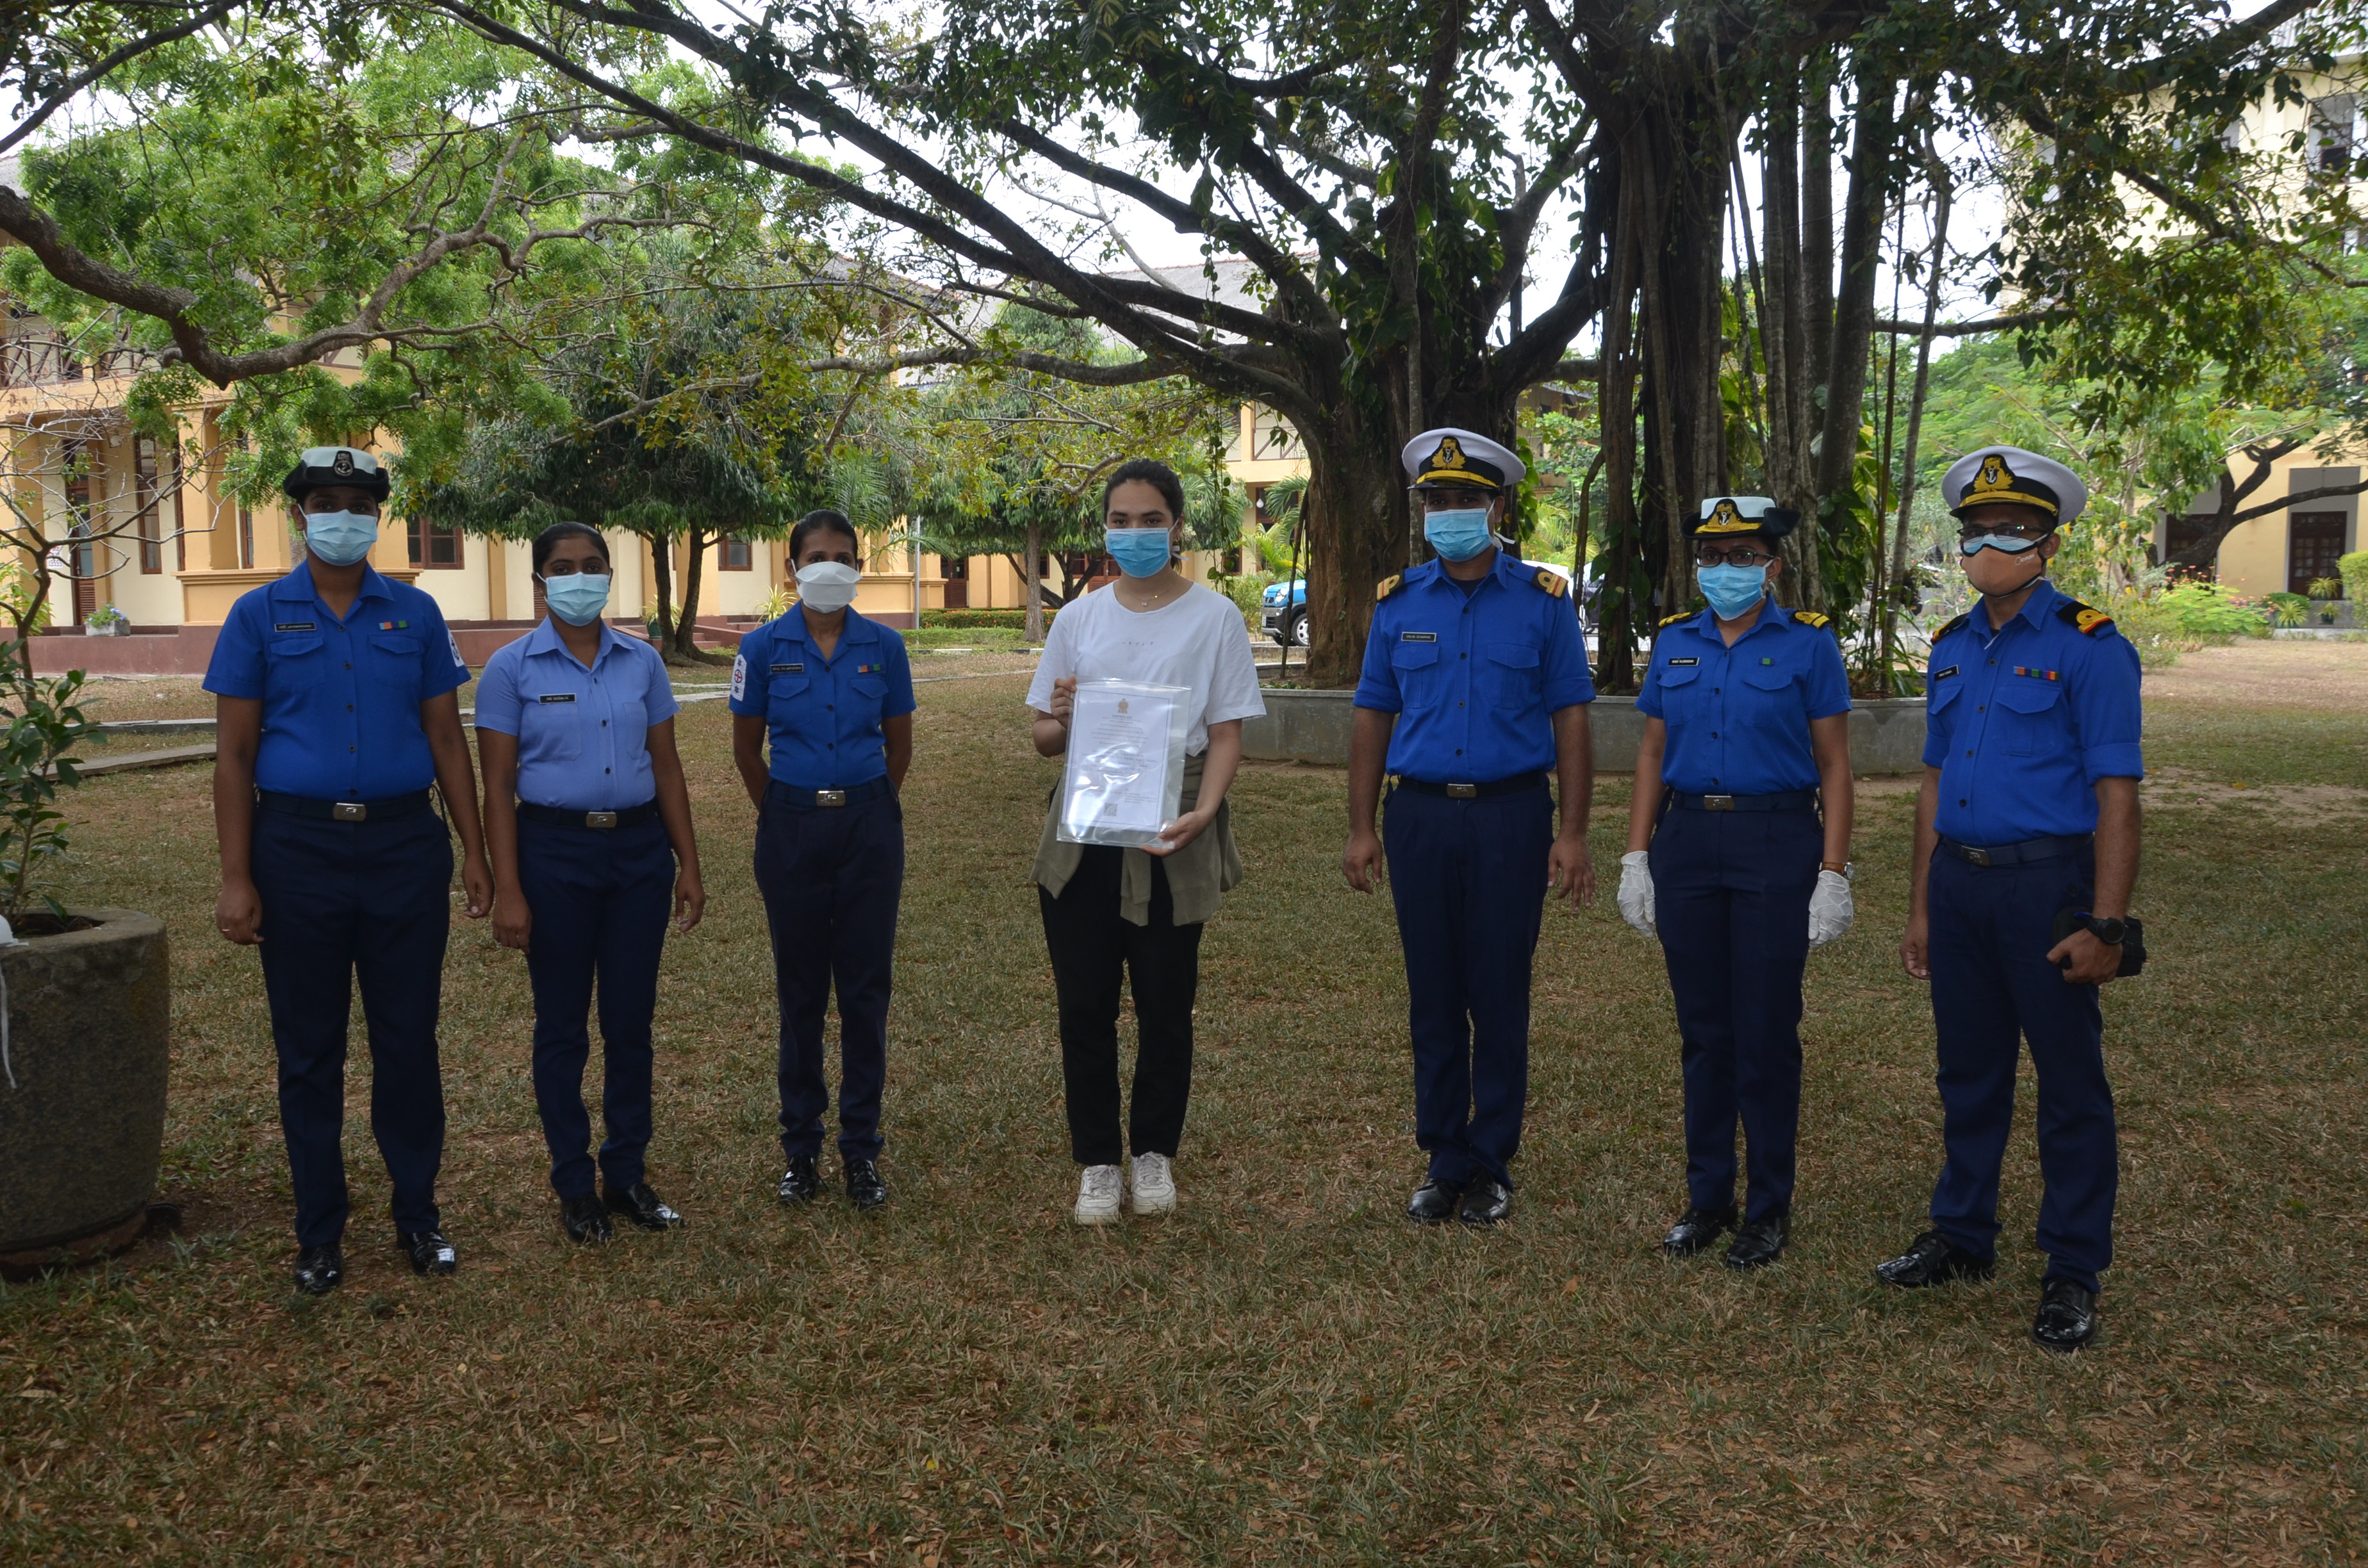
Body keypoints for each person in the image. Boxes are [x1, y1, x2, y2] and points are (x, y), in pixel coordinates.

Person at [206, 446, 491, 1296]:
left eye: (359, 503)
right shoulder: (258, 617)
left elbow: (447, 738)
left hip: (406, 848)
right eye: (326, 501)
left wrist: (476, 850)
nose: (343, 515)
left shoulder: (416, 613)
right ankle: (320, 1232)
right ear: (299, 515)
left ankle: (418, 1215)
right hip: (295, 852)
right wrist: (235, 875)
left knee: (408, 1042)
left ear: (378, 518)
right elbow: (234, 754)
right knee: (309, 1051)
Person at [1878, 445, 2143, 1353]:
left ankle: (2072, 1267)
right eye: (1978, 531)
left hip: (2046, 886)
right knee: (1969, 1073)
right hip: (1959, 885)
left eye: (2015, 529)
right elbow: (1931, 784)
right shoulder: (1951, 651)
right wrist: (1920, 905)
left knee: (2069, 1084)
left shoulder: (2092, 648)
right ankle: (1962, 1236)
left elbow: (2117, 795)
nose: (1993, 544)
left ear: (2049, 541)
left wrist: (2105, 924)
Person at [1343, 429, 1597, 1228]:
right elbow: (1371, 717)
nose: (1449, 513)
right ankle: (1443, 1157)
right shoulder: (1396, 603)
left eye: (1465, 500)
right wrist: (1360, 826)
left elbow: (1572, 721)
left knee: (1499, 991)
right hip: (1416, 815)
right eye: (1437, 501)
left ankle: (1491, 1163)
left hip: (1511, 816)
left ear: (1496, 506)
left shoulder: (1544, 603)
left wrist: (1575, 832)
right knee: (1434, 994)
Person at [1616, 496, 1855, 1270]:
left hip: (1776, 840)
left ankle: (1768, 1207)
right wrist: (1637, 855)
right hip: (1688, 842)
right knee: (1705, 1032)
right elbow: (1652, 753)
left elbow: (1834, 765)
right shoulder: (1675, 644)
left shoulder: (1808, 646)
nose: (1726, 570)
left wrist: (1831, 871)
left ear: (1772, 566)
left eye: (1743, 556)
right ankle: (1708, 1199)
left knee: (1765, 1033)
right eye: (1713, 557)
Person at [1027, 458, 1265, 1226]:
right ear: (1105, 528)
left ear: (1177, 527)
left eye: (1150, 520)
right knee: (1084, 1006)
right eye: (1121, 521)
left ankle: (1153, 1153)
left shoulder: (1215, 617)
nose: (1135, 533)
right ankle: (1098, 1161)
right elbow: (1043, 738)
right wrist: (1062, 714)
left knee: (1167, 1003)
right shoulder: (1079, 620)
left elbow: (1226, 733)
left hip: (1174, 826)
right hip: (1087, 833)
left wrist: (1208, 812)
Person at [476, 521, 707, 1245]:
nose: (579, 579)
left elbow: (666, 767)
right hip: (554, 855)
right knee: (563, 1029)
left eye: (592, 567)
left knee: (631, 1024)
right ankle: (575, 1185)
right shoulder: (510, 670)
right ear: (539, 582)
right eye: (562, 568)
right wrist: (509, 888)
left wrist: (688, 862)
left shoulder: (642, 663)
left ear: (610, 576)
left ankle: (627, 1174)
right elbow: (498, 785)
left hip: (638, 853)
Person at [731, 510, 914, 1212]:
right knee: (801, 994)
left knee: (866, 994)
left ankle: (861, 1151)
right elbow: (748, 749)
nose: (830, 567)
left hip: (868, 825)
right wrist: (784, 812)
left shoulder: (885, 648)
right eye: (817, 556)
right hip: (793, 827)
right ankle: (800, 1150)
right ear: (792, 568)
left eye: (844, 555)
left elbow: (898, 746)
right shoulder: (762, 647)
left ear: (858, 567)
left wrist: (865, 807)